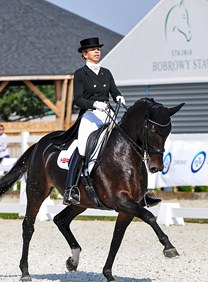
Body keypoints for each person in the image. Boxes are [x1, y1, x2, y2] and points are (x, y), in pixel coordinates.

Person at [63, 37, 161, 207]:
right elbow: (77, 99)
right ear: (85, 54)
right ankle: (71, 189)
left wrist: (118, 96)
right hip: (90, 116)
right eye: (93, 50)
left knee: (129, 145)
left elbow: (114, 90)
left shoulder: (105, 72)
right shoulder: (81, 74)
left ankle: (142, 193)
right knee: (83, 147)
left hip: (107, 114)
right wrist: (93, 104)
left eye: (98, 49)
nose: (97, 52)